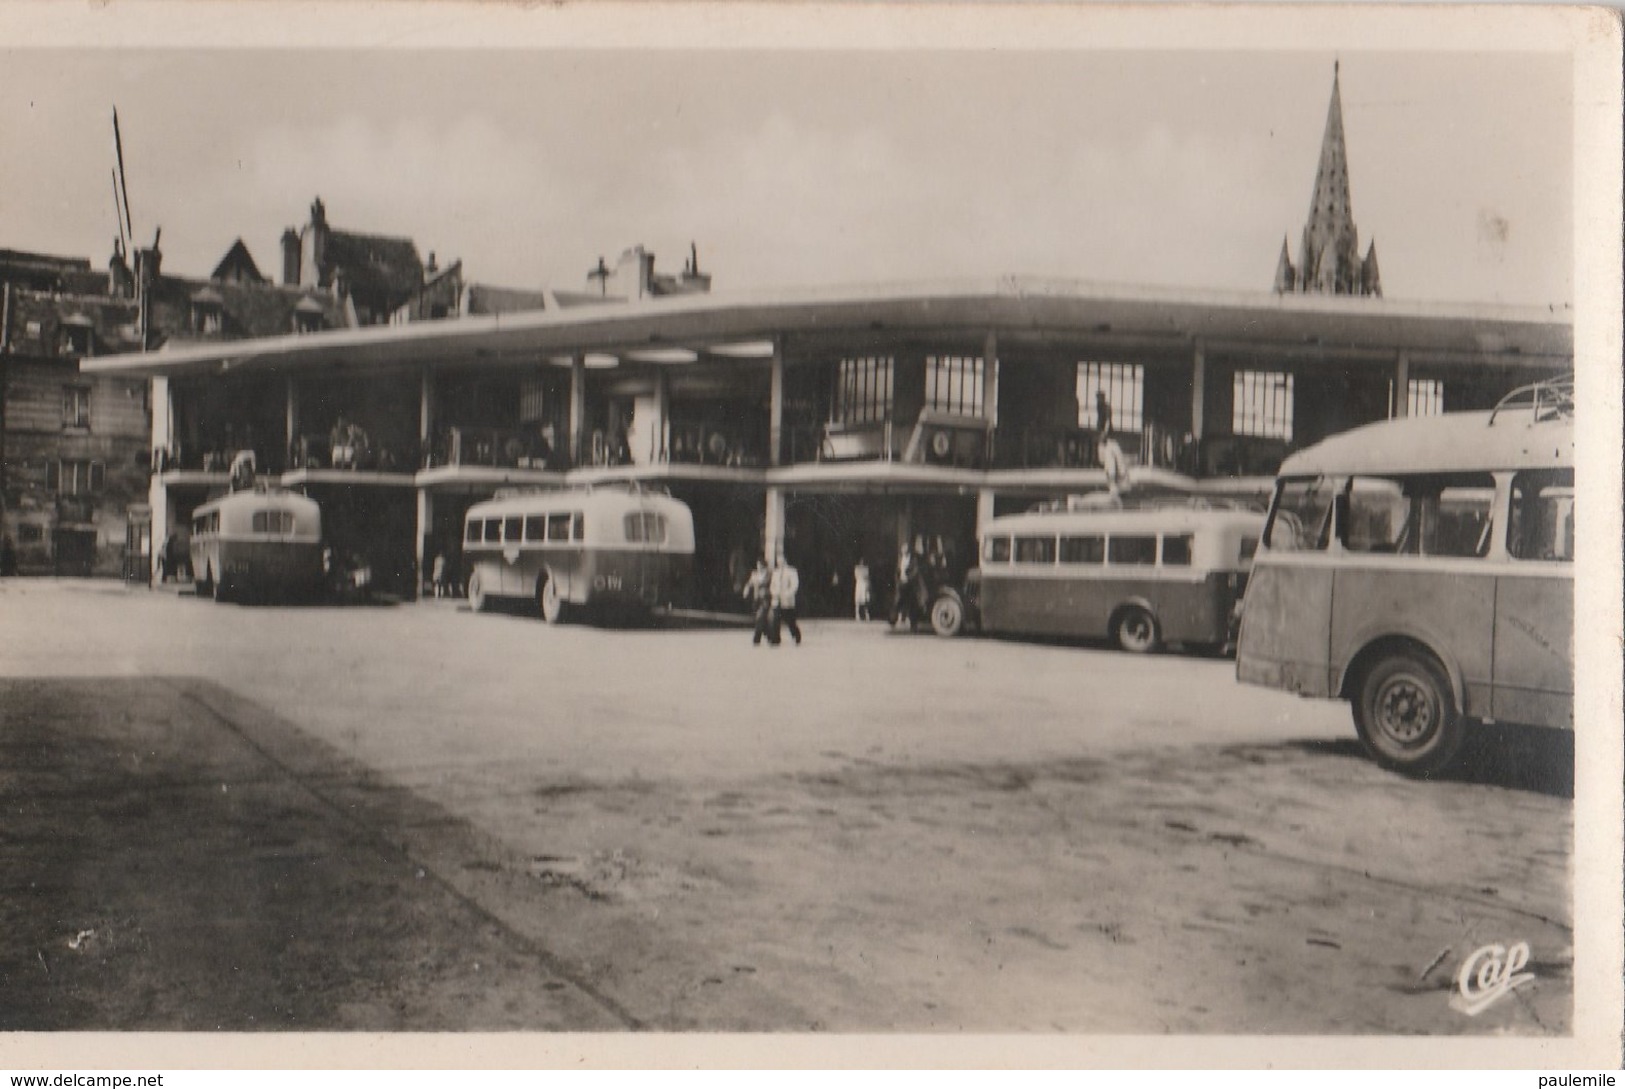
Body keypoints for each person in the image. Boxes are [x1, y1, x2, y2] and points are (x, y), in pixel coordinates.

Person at [743, 557, 777, 646]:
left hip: (766, 598)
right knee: (762, 619)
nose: (759, 567)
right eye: (758, 565)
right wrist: (746, 590)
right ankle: (770, 637)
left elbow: (773, 585)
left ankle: (756, 638)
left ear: (764, 566)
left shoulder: (769, 574)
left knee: (760, 617)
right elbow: (749, 583)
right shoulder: (754, 574)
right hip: (756, 599)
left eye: (760, 566)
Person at [771, 553, 802, 646]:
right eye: (778, 560)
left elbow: (794, 585)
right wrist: (775, 593)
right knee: (775, 619)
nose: (779, 562)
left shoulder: (792, 571)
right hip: (777, 600)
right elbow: (772, 585)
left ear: (785, 560)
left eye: (781, 560)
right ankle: (775, 639)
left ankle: (796, 635)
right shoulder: (775, 572)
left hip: (787, 600)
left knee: (790, 620)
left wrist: (786, 594)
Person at [852, 556, 872, 621]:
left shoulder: (866, 568)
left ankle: (867, 615)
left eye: (863, 560)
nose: (862, 562)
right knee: (858, 600)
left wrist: (868, 585)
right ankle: (857, 614)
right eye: (861, 560)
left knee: (865, 600)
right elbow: (856, 576)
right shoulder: (857, 568)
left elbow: (867, 577)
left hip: (864, 584)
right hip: (859, 584)